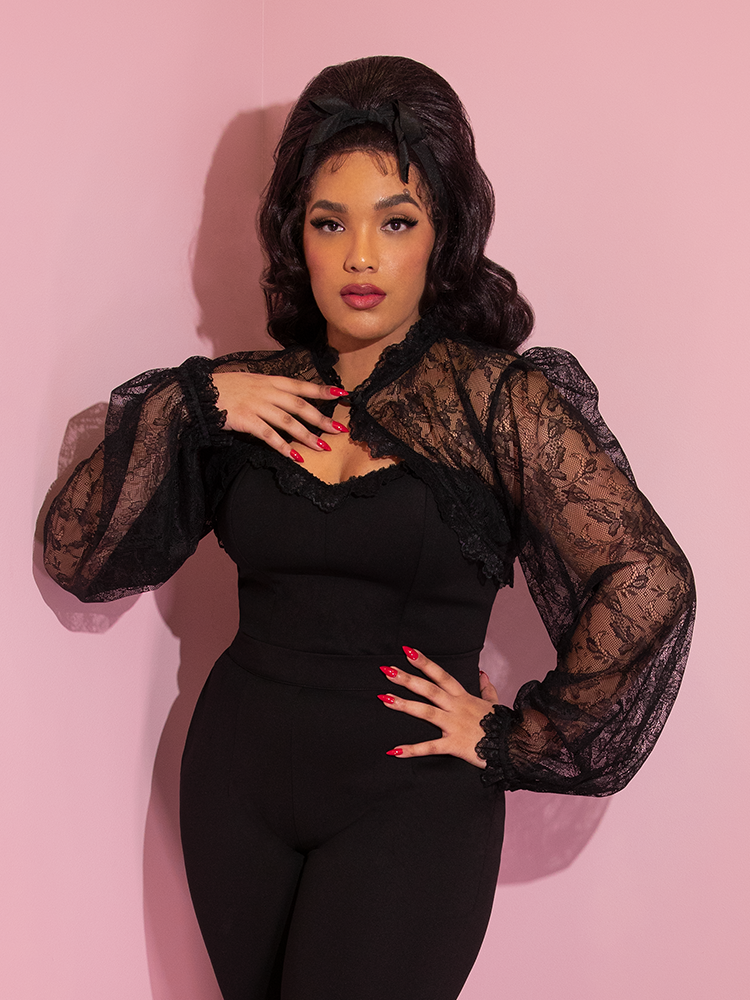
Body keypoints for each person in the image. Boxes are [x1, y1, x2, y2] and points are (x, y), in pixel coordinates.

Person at [42, 55, 695, 1000]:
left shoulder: (499, 404)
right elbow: (79, 555)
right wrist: (198, 403)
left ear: (442, 235)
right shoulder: (250, 396)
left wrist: (519, 736)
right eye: (329, 222)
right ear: (295, 236)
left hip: (411, 802)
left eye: (395, 222)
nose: (359, 257)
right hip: (235, 788)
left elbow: (648, 579)